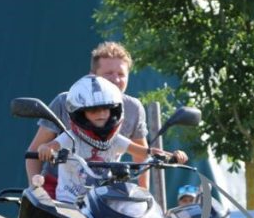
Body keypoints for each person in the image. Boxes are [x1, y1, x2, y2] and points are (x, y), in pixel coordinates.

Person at [8, 41, 149, 218]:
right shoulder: (66, 101)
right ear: (92, 76)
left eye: (121, 74)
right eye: (108, 73)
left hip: (108, 189)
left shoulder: (133, 107)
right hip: (60, 183)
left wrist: (144, 194)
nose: (116, 79)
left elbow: (142, 155)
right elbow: (35, 150)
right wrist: (35, 187)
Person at [37, 76, 187, 203]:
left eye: (106, 109)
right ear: (80, 114)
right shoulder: (71, 137)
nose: (101, 114)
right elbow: (50, 146)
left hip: (102, 201)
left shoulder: (115, 140)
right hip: (69, 203)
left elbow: (144, 152)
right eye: (93, 110)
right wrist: (45, 149)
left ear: (114, 110)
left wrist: (172, 156)